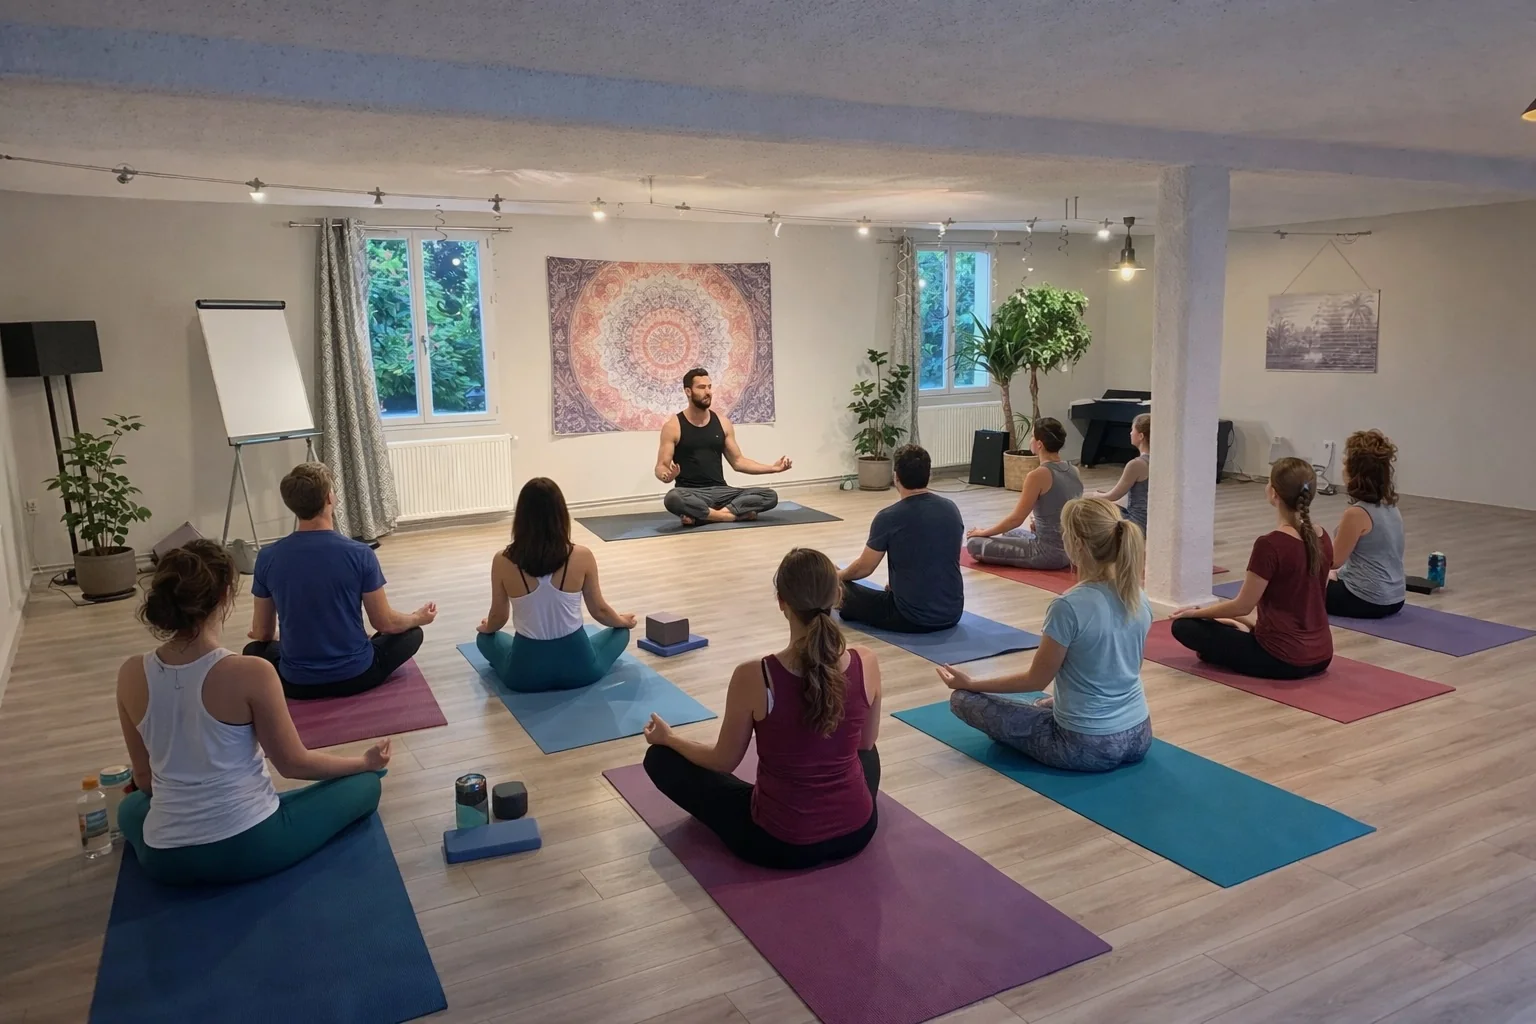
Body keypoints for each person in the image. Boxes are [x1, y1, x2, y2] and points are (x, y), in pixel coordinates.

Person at [115, 541, 388, 886]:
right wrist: (363, 762)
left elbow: (144, 781)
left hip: (164, 859)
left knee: (128, 809)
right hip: (251, 844)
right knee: (365, 787)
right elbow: (293, 764)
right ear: (226, 595)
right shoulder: (251, 672)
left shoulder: (130, 673)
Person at [642, 548, 883, 870]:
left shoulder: (756, 675)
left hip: (780, 844)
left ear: (782, 601)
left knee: (659, 758)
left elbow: (723, 761)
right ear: (837, 594)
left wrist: (669, 739)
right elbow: (865, 745)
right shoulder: (866, 660)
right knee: (865, 749)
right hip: (858, 830)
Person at [938, 497, 1153, 772]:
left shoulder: (1069, 606)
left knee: (963, 700)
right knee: (1042, 702)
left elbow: (1036, 679)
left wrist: (971, 682)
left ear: (1077, 545)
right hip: (1139, 735)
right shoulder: (1138, 597)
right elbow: (1124, 669)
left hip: (1085, 745)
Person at [244, 463, 436, 700]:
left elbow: (262, 632)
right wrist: (418, 617)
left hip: (296, 684)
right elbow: (384, 623)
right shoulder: (360, 553)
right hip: (357, 676)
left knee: (253, 651)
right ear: (329, 499)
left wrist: (276, 636)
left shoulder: (267, 557)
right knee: (412, 633)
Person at [1170, 457, 1333, 679]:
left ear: (1274, 493)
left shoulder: (1270, 544)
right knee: (1223, 621)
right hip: (1322, 655)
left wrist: (1197, 612)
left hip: (1282, 659)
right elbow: (1312, 599)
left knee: (1184, 626)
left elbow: (1242, 606)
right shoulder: (1322, 536)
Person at [476, 477, 638, 691]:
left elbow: (498, 617)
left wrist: (487, 628)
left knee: (484, 639)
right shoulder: (582, 555)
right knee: (621, 632)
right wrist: (621, 621)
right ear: (561, 515)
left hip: (524, 676)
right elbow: (599, 610)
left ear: (521, 517)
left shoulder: (502, 560)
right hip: (581, 670)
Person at [838, 444, 965, 633]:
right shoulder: (951, 509)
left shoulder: (888, 517)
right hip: (953, 613)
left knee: (843, 593)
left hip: (910, 617)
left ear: (895, 477)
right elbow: (939, 554)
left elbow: (864, 568)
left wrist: (837, 577)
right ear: (929, 476)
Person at [656, 367, 791, 525]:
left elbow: (738, 462)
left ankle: (705, 516)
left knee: (769, 496)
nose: (708, 392)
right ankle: (731, 515)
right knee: (673, 498)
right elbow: (661, 467)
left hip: (722, 492)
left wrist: (773, 468)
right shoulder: (673, 426)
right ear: (688, 391)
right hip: (691, 492)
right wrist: (667, 476)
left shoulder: (722, 422)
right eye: (701, 387)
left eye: (709, 387)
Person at [966, 417, 1084, 569]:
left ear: (1039, 444)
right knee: (1010, 534)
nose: (1030, 440)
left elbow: (1016, 519)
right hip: (1070, 551)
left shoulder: (1037, 475)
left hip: (1047, 553)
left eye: (1032, 437)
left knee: (974, 544)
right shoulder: (1074, 470)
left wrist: (983, 532)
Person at [1328, 429, 1405, 619]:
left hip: (1365, 600)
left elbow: (1332, 561)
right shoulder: (1391, 508)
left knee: (1296, 585)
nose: (1342, 467)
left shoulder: (1356, 514)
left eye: (1345, 462)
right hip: (1396, 599)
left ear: (1355, 472)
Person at [1089, 413, 1150, 533]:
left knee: (1089, 506)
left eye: (1132, 430)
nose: (1130, 433)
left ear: (1141, 436)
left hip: (1137, 521)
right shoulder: (1161, 461)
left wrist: (1094, 495)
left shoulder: (1136, 464)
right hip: (1151, 518)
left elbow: (1113, 496)